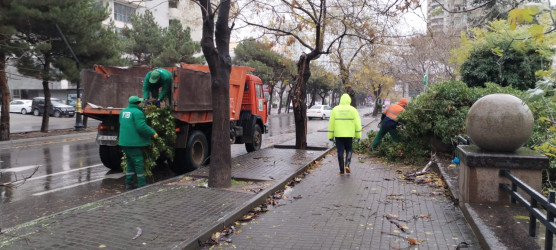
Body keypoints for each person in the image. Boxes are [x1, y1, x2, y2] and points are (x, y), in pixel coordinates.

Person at [118, 96, 158, 190]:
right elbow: (141, 127)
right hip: (134, 142)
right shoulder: (137, 112)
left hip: (124, 142)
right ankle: (142, 184)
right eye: (139, 102)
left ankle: (129, 183)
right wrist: (153, 133)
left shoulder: (123, 112)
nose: (141, 104)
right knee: (138, 161)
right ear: (137, 103)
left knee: (130, 162)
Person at [328, 94, 362, 176]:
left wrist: (330, 136)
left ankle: (342, 171)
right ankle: (347, 164)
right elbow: (358, 124)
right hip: (349, 135)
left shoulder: (335, 109)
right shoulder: (353, 110)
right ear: (349, 100)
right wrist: (358, 135)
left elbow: (331, 124)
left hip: (338, 135)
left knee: (340, 151)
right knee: (349, 149)